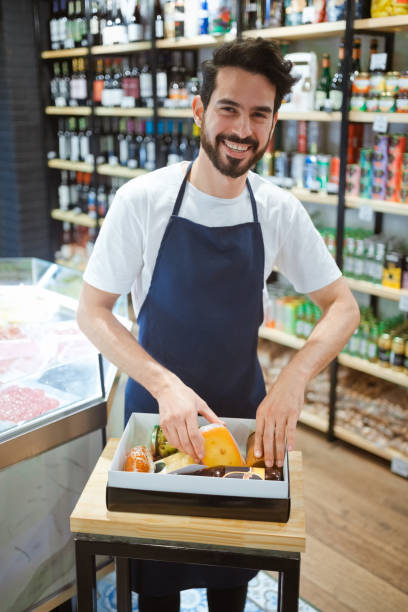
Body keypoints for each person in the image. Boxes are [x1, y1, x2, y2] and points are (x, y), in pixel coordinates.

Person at [77, 37, 360, 612]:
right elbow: (93, 310)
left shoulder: (277, 209)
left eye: (260, 114)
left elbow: (344, 305)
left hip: (242, 426)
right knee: (156, 589)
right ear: (199, 110)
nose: (243, 128)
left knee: (229, 585)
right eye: (229, 108)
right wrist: (164, 386)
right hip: (156, 428)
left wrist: (292, 378)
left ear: (274, 124)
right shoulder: (144, 201)